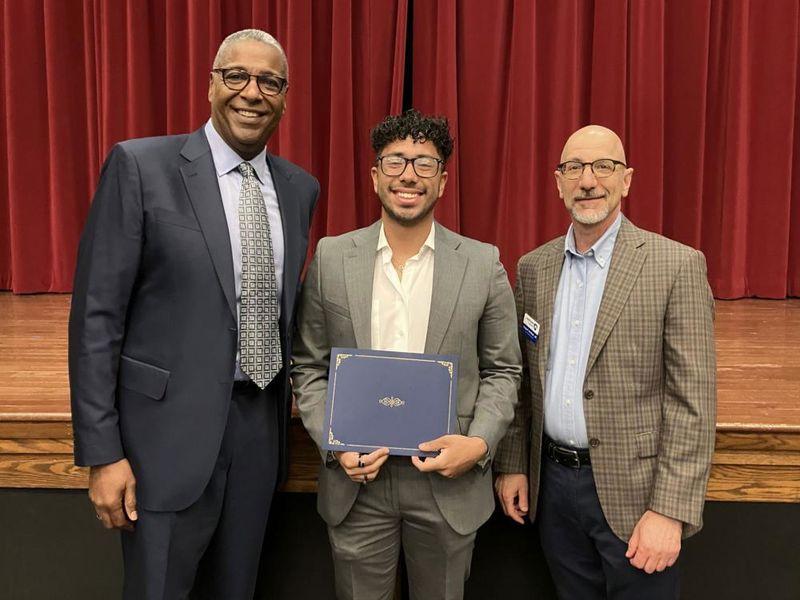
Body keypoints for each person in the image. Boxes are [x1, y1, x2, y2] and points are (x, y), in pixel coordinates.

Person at [68, 29, 318, 599]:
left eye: (270, 82)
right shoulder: (140, 166)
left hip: (259, 435)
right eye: (237, 76)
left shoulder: (300, 188)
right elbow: (96, 319)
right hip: (162, 442)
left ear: (285, 96)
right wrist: (102, 453)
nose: (252, 92)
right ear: (211, 85)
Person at [291, 109, 521, 600]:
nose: (409, 175)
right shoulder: (332, 258)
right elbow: (308, 367)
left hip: (447, 483)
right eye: (395, 161)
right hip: (358, 483)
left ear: (442, 181)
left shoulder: (482, 264)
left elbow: (504, 370)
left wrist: (478, 445)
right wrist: (334, 440)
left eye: (424, 163)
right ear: (376, 177)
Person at [494, 125, 716, 600]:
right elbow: (522, 382)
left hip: (637, 499)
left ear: (627, 179)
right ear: (558, 182)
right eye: (574, 168)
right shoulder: (534, 267)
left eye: (604, 167)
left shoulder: (676, 266)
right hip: (552, 489)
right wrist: (514, 464)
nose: (588, 180)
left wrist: (669, 510)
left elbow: (692, 403)